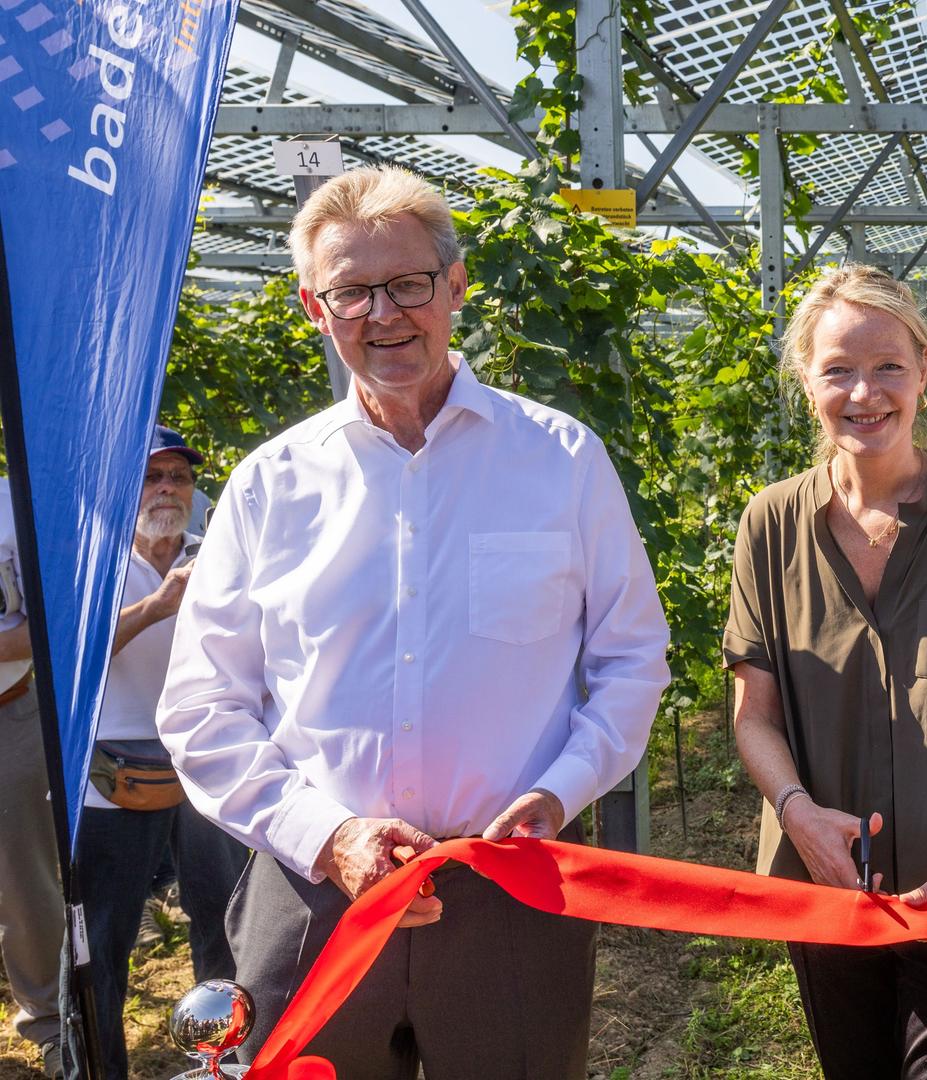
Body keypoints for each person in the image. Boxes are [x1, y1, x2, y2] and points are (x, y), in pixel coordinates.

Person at [157, 165, 672, 1078]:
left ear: (457, 285)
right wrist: (328, 835)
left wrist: (563, 788)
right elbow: (203, 706)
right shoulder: (270, 485)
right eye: (352, 291)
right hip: (316, 890)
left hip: (509, 886)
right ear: (314, 307)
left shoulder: (559, 459)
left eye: (407, 284)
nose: (383, 314)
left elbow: (632, 657)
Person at [725, 265, 927, 1079]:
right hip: (822, 883)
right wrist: (798, 816)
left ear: (923, 373)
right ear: (807, 380)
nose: (864, 392)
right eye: (837, 368)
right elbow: (752, 713)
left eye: (888, 367)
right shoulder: (769, 522)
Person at [71, 427, 249, 1080]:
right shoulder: (94, 562)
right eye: (152, 477)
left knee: (226, 917)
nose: (168, 488)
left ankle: (225, 1059)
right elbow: (73, 662)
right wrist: (157, 605)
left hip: (208, 760)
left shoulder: (218, 554)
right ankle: (100, 1068)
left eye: (178, 475)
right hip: (117, 774)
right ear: (124, 491)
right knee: (107, 938)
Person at [0, 476, 65, 1078]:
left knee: (27, 884)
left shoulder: (13, 499)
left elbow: (47, 618)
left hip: (11, 709)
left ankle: (50, 1024)